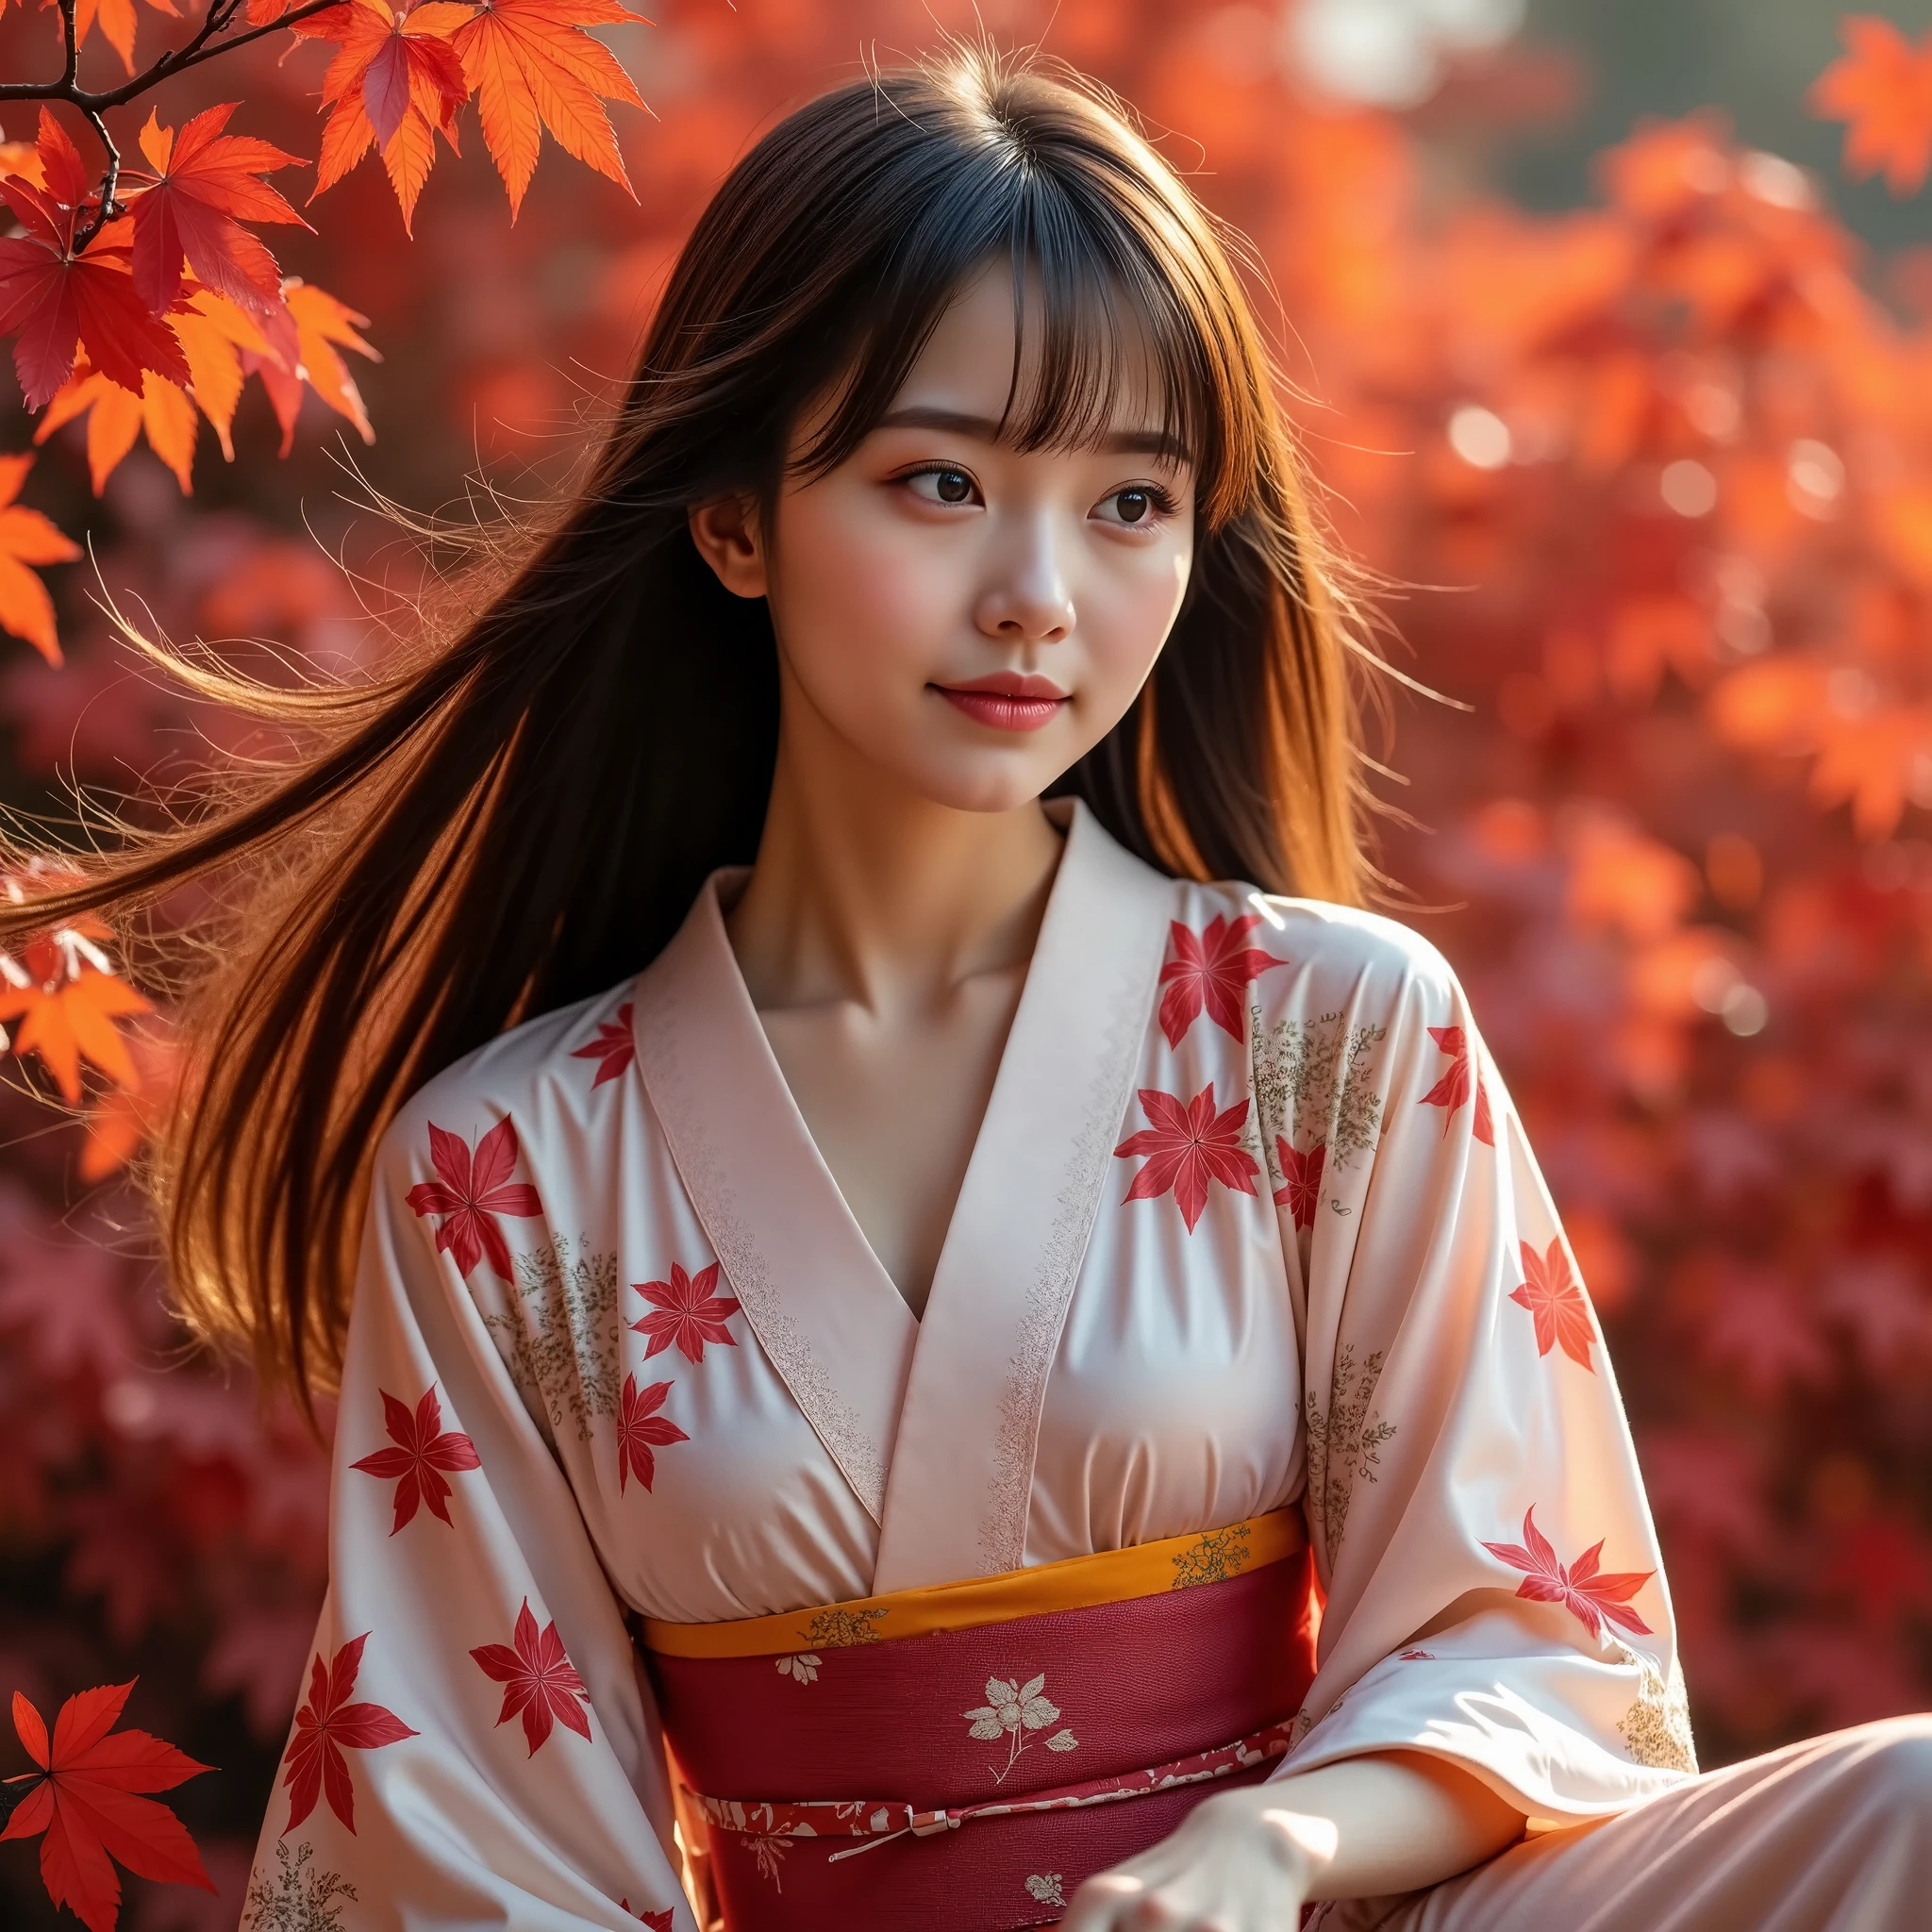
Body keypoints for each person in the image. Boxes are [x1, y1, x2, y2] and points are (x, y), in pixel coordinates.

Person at [14, 46, 1929, 1932]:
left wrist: (1276, 1846)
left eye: (1128, 504)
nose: (1038, 592)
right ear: (736, 517)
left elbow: (1540, 1636)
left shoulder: (1332, 1034)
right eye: (940, 483)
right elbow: (462, 1855)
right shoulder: (503, 1168)